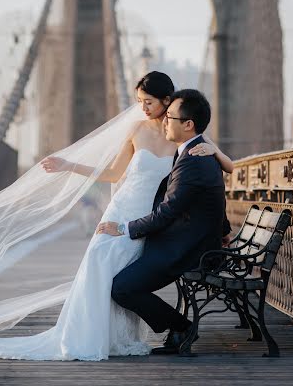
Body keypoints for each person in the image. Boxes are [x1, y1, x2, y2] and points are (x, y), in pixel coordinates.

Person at [0, 73, 232, 360]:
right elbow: (114, 172)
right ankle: (88, 336)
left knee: (121, 278)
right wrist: (69, 165)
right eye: (139, 101)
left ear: (167, 101)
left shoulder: (183, 138)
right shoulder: (137, 130)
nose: (142, 108)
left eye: (148, 102)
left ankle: (123, 337)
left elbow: (221, 168)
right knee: (98, 270)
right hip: (123, 210)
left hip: (146, 220)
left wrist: (215, 154)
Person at [98, 88, 231, 355]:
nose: (164, 122)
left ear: (189, 125)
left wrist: (123, 228)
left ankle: (182, 326)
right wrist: (224, 229)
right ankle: (179, 327)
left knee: (122, 288)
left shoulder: (193, 161)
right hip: (187, 240)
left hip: (186, 249)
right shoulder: (196, 153)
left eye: (169, 117)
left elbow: (167, 212)